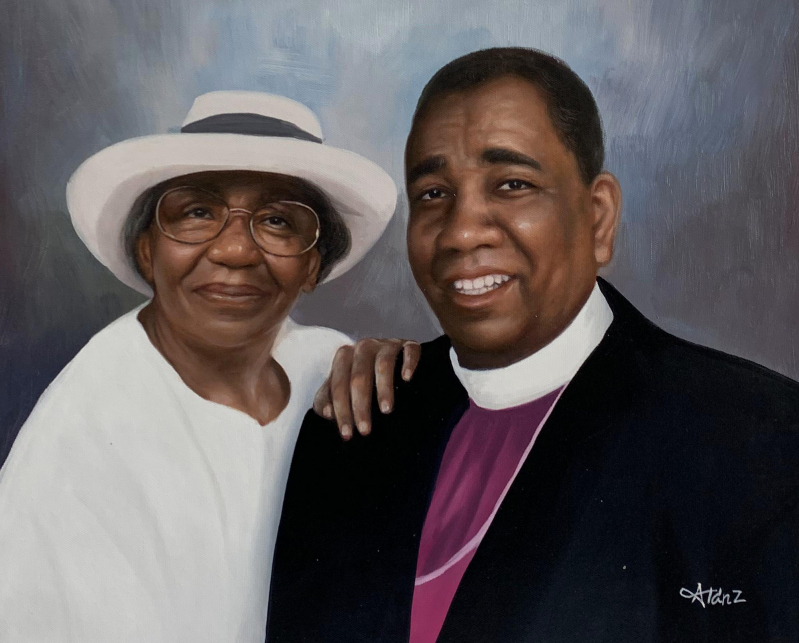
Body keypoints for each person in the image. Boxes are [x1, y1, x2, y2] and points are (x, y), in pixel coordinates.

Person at [267, 48, 799, 643]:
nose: (463, 231)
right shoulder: (350, 433)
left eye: (512, 184)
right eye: (434, 194)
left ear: (597, 218)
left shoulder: (759, 442)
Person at [0, 90, 419, 642]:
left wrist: (409, 378)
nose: (235, 252)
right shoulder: (82, 439)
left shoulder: (327, 364)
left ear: (313, 266)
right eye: (197, 213)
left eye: (276, 221)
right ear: (146, 251)